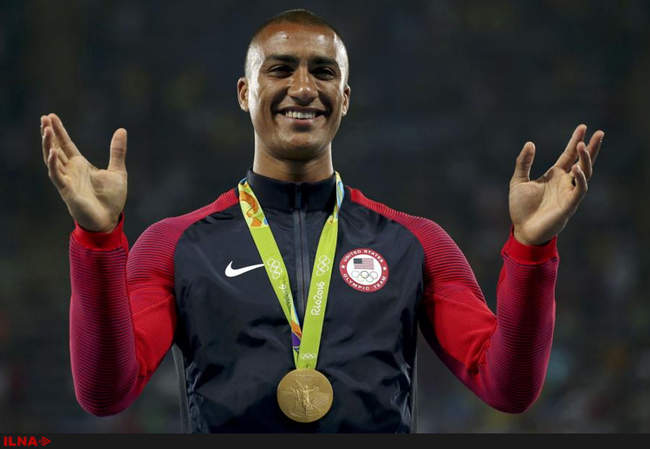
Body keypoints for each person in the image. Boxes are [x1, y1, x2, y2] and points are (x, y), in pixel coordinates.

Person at [40, 9, 604, 433]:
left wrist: (531, 250)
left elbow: (507, 387)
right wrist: (98, 241)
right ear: (245, 93)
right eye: (281, 69)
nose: (304, 87)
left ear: (345, 97)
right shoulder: (174, 245)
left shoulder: (418, 243)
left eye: (323, 72)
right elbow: (105, 392)